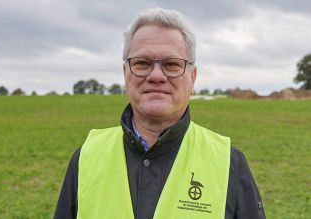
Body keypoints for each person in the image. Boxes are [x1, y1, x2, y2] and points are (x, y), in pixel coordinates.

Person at [54, 8, 265, 219]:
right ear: (125, 74)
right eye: (142, 63)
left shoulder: (229, 163)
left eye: (172, 64)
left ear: (192, 78)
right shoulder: (86, 158)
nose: (156, 76)